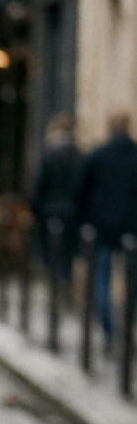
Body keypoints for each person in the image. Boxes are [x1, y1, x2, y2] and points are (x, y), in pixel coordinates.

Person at [76, 109, 137, 350]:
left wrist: (87, 221)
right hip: (132, 229)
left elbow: (82, 193)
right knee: (132, 283)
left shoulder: (98, 156)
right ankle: (128, 328)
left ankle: (110, 333)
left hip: (103, 229)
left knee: (102, 282)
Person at [31, 114, 81, 283]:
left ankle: (53, 284)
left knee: (49, 254)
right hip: (72, 212)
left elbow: (40, 185)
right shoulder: (78, 156)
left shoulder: (49, 155)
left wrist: (35, 208)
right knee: (66, 255)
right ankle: (63, 284)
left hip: (49, 210)